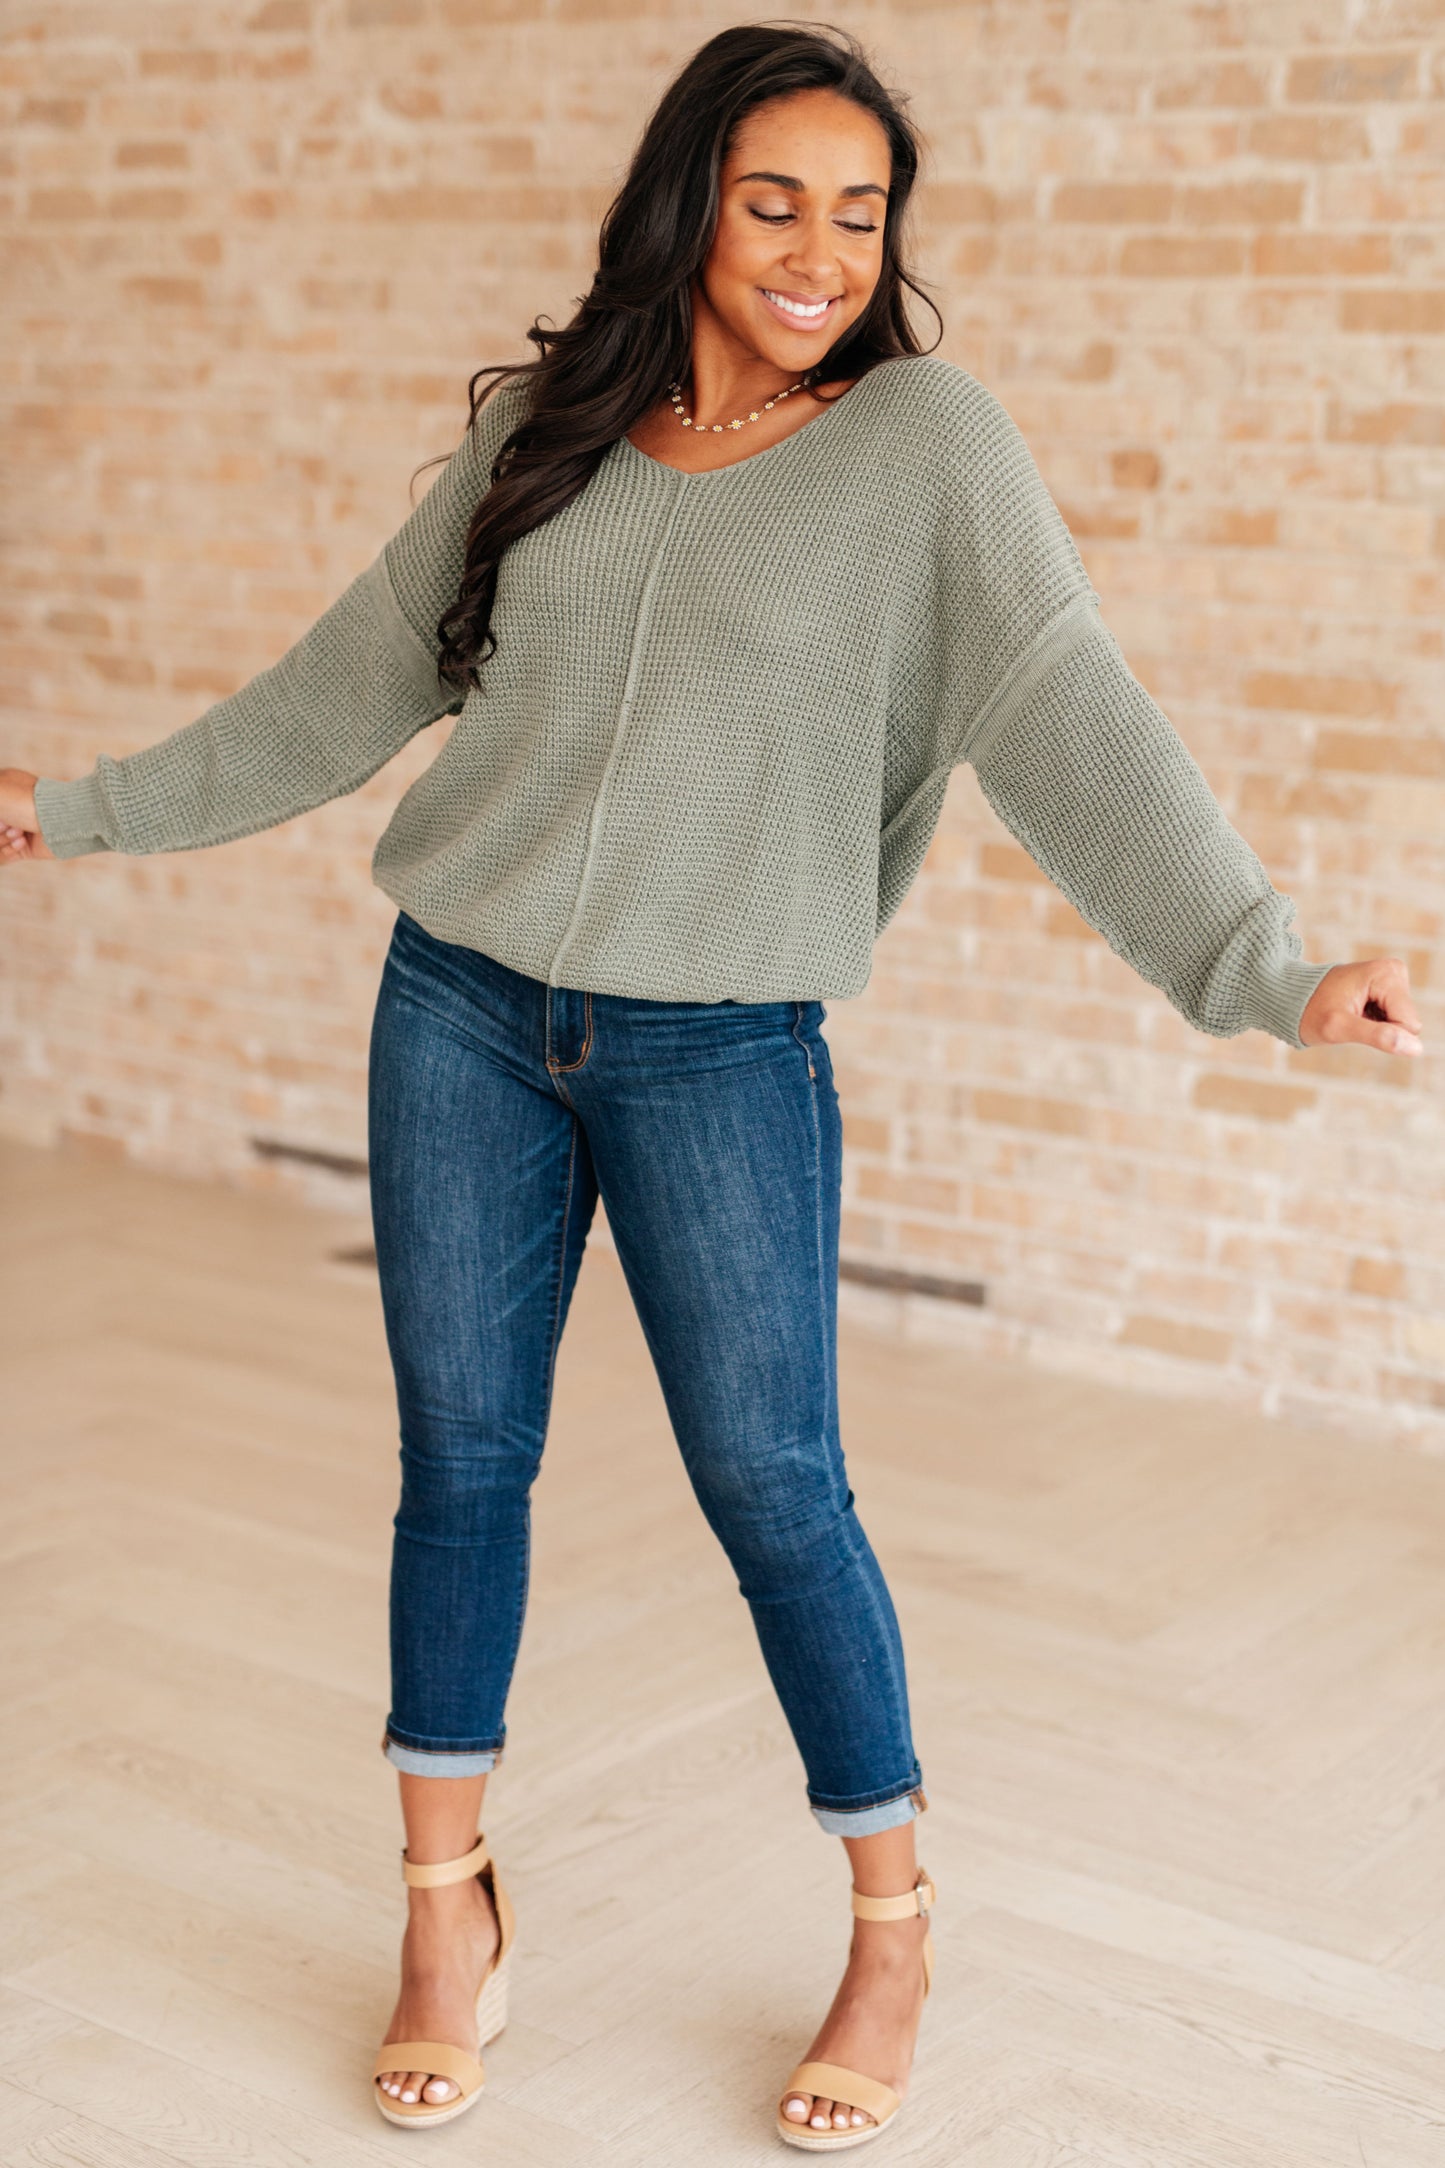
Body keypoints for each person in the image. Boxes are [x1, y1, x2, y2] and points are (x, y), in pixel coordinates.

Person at [1, 18, 1422, 2154]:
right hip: (458, 1011)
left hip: (719, 1044)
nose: (820, 251)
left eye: (859, 212)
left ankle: (891, 1929)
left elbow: (1072, 715)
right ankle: (446, 1914)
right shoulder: (550, 434)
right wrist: (75, 806)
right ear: (688, 204)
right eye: (774, 202)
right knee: (460, 1466)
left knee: (773, 1486)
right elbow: (336, 696)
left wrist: (1271, 969)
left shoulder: (925, 447)